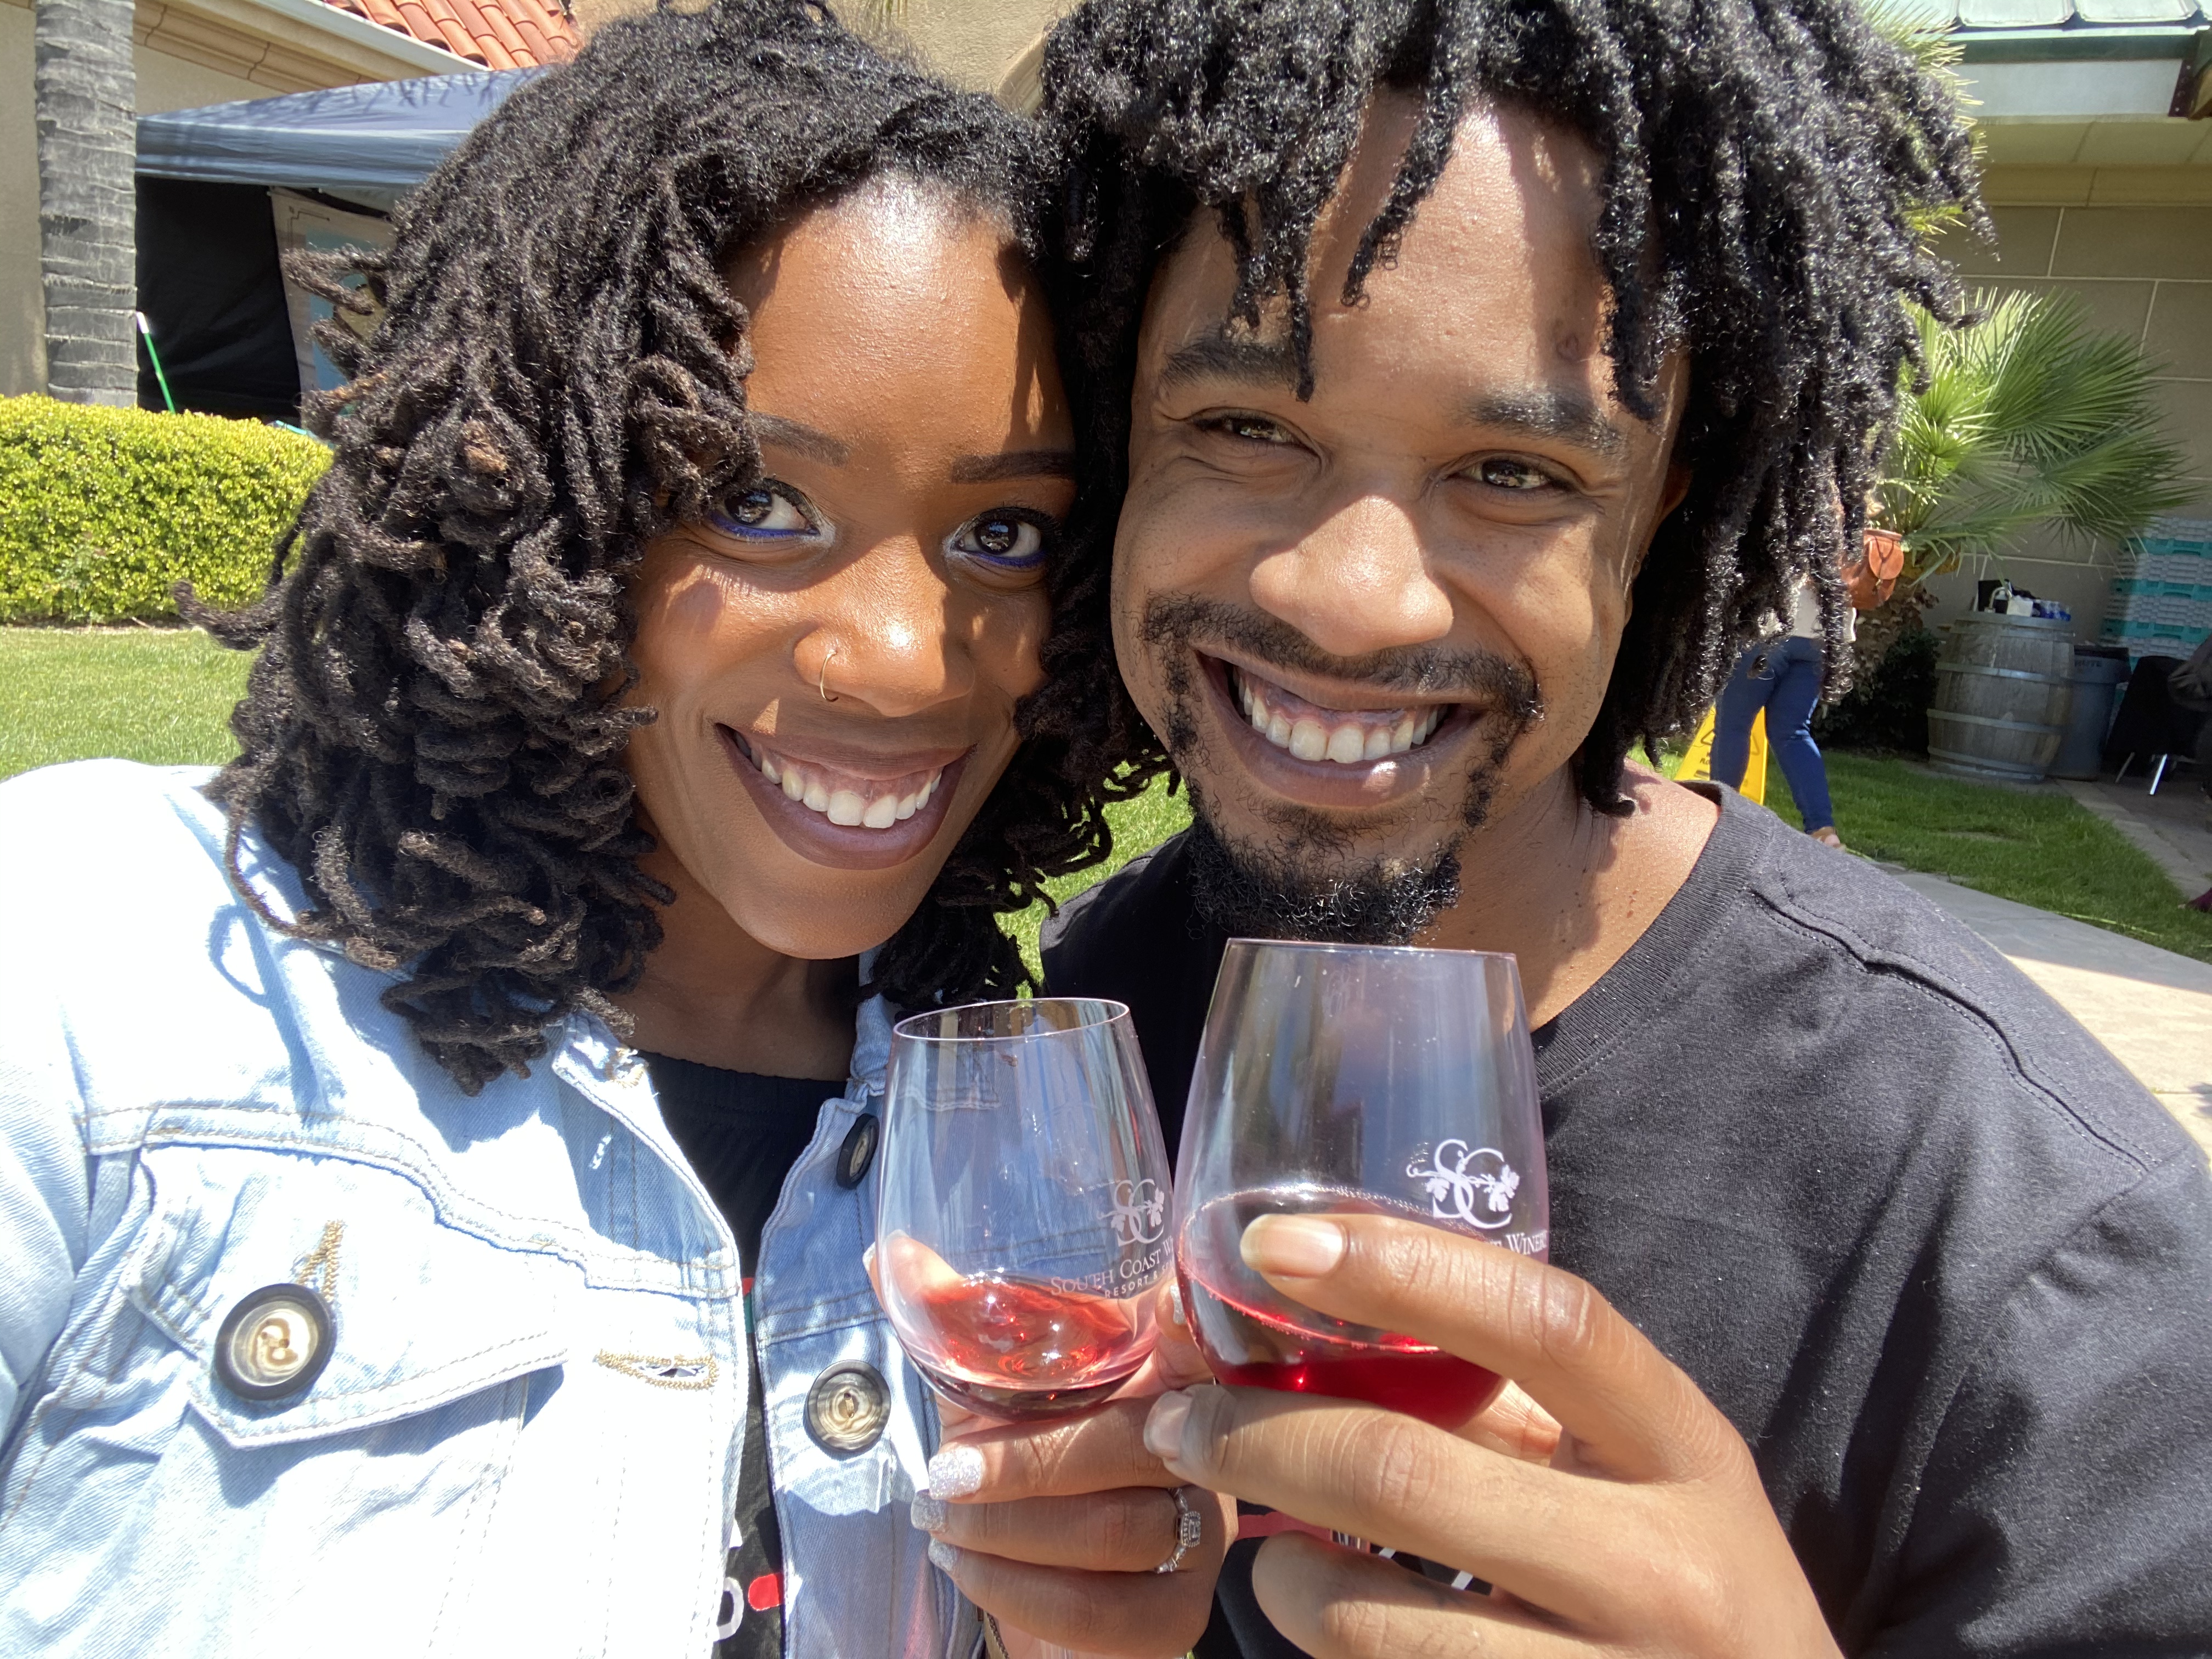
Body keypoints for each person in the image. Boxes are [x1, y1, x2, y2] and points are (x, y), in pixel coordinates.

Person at [899, 1, 2212, 1655]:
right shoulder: (1111, 1003)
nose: (1353, 597)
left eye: (1514, 471)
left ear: (1659, 511)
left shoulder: (2046, 1259)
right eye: (1246, 428)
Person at [0, 4, 1218, 1654]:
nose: (904, 659)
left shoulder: (1035, 1132)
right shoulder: (97, 964)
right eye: (760, 505)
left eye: (1003, 532)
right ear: (537, 505)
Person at [1711, 577, 1850, 848]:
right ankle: (1823, 830)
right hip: (1824, 633)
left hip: (1770, 624)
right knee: (1793, 732)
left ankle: (1720, 819)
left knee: (1734, 725)